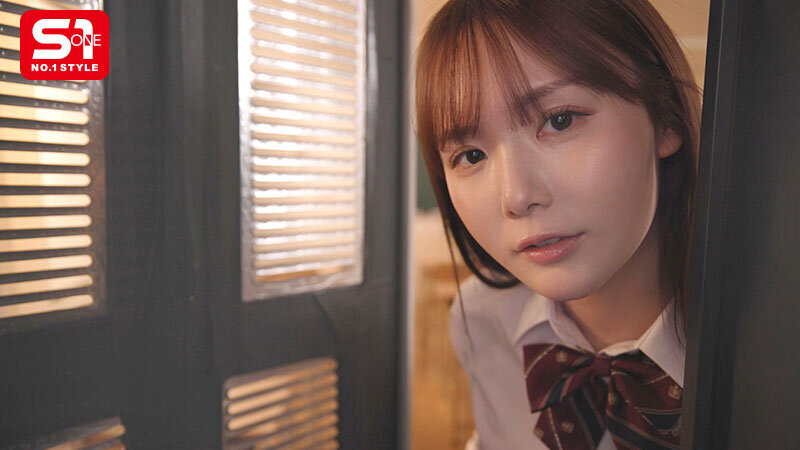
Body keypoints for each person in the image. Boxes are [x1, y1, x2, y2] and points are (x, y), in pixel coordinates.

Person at [414, 0, 702, 448]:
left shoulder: (773, 340)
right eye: (471, 155)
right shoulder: (484, 319)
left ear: (665, 118)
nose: (516, 197)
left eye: (559, 121)